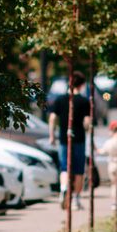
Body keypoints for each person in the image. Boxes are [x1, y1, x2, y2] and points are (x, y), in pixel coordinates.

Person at [47, 71, 93, 209]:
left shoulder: (60, 99)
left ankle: (63, 188)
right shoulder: (84, 101)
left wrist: (52, 135)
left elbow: (53, 118)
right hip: (79, 139)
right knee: (79, 170)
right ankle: (75, 199)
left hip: (63, 138)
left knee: (64, 167)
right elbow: (86, 122)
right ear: (82, 85)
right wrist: (88, 128)